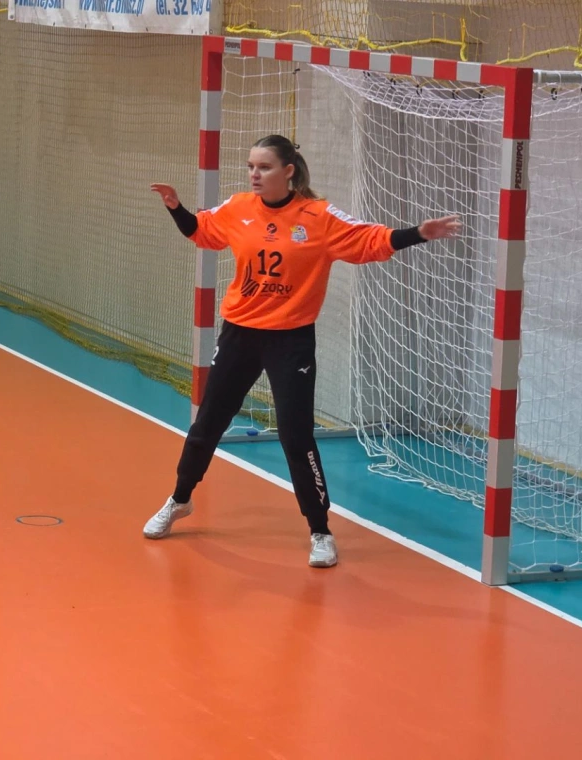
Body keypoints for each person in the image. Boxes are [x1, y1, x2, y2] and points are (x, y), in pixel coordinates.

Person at [144, 134, 461, 568]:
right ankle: (180, 500)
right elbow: (201, 231)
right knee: (208, 423)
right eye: (251, 166)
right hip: (239, 334)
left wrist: (419, 234)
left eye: (264, 167)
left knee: (296, 436)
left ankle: (320, 529)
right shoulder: (238, 207)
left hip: (290, 341)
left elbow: (370, 240)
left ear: (288, 171)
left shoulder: (318, 216)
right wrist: (175, 207)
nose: (254, 174)